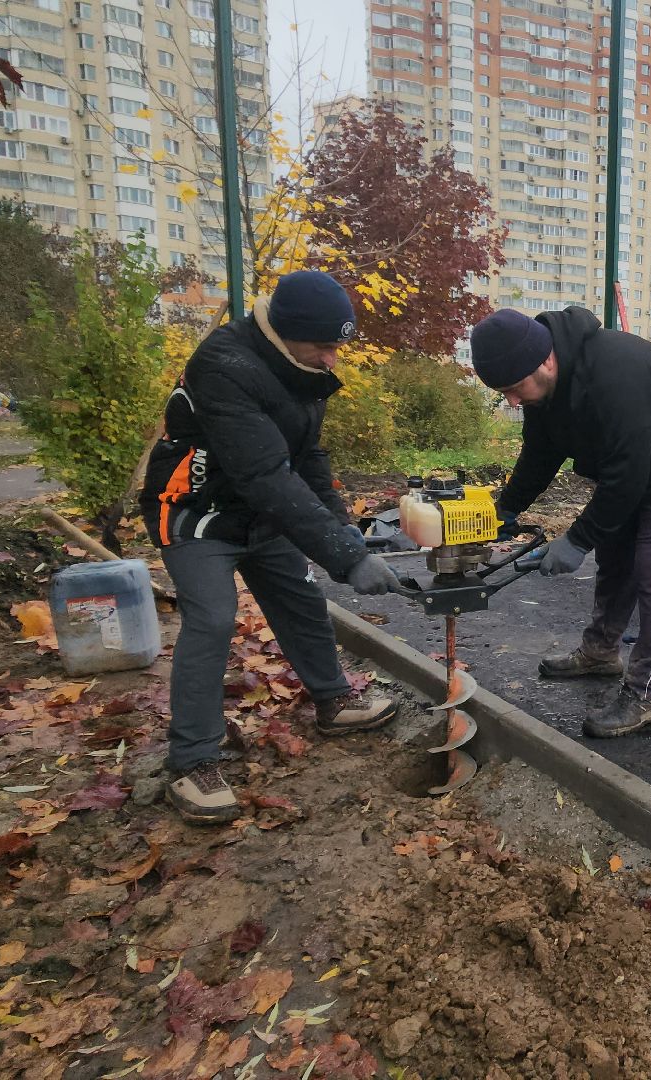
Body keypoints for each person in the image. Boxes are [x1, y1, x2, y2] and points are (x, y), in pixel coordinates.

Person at [139, 270, 403, 825]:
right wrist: (348, 559)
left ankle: (333, 700)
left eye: (337, 346)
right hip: (195, 511)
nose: (332, 358)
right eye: (323, 345)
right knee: (213, 619)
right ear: (285, 332)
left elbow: (307, 459)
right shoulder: (223, 365)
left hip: (261, 513)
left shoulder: (301, 368)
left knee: (301, 599)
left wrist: (344, 533)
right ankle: (192, 760)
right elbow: (263, 473)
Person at [470, 306, 651, 738]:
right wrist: (505, 510)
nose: (512, 401)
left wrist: (576, 540)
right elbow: (540, 455)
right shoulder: (543, 388)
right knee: (615, 556)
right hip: (635, 459)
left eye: (514, 389)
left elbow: (626, 478)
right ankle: (600, 652)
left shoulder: (613, 374)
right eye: (504, 393)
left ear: (546, 361)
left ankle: (649, 693)